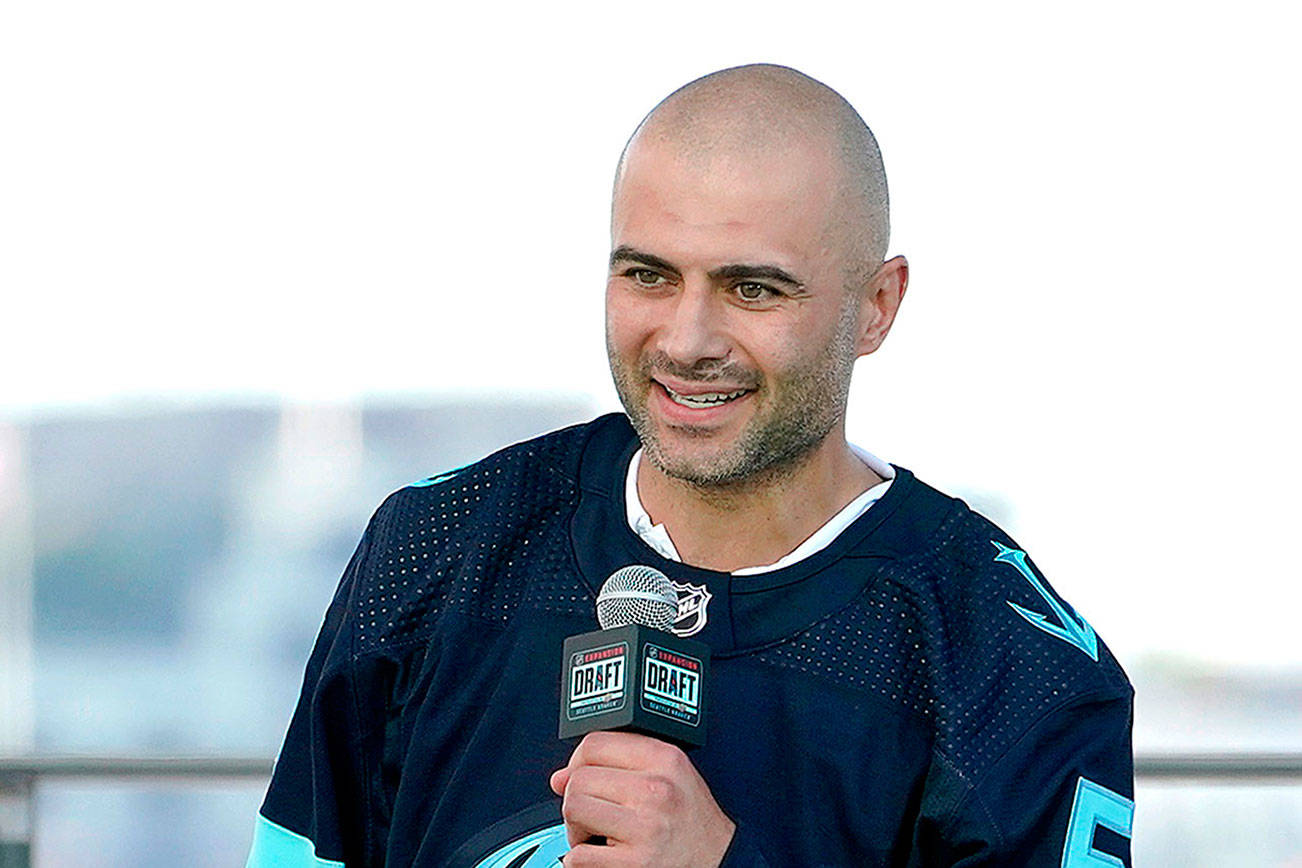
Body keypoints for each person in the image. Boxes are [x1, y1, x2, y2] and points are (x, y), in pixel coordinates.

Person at [246, 64, 1134, 867]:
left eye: (753, 288)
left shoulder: (1017, 668)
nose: (687, 340)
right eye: (648, 276)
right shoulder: (436, 543)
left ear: (877, 306)